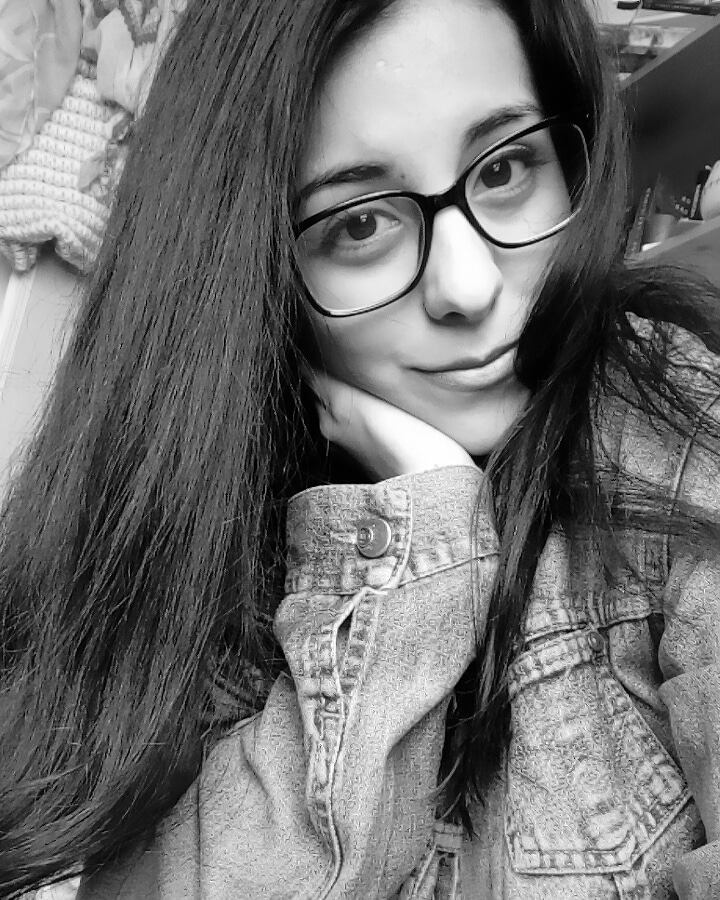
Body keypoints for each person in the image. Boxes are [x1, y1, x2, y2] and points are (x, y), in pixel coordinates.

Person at [2, 0, 720, 897]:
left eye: (505, 168)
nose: (468, 286)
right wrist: (415, 542)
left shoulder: (667, 418)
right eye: (360, 224)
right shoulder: (201, 534)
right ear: (258, 271)